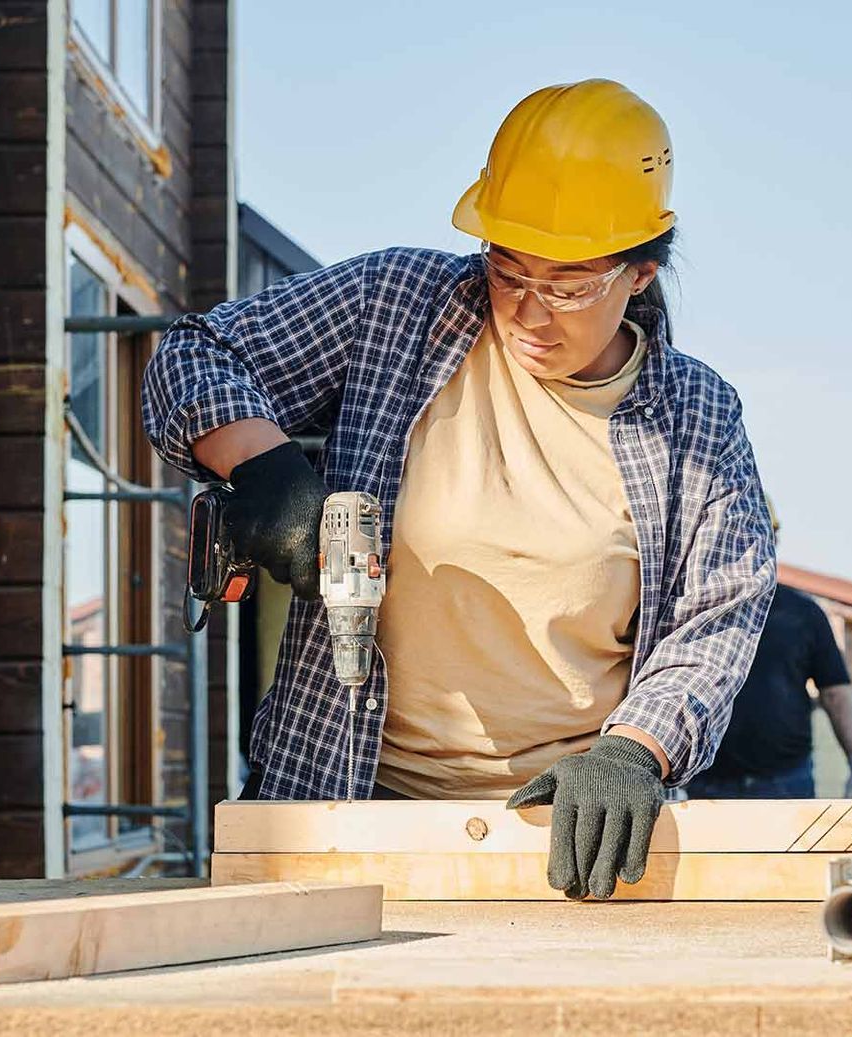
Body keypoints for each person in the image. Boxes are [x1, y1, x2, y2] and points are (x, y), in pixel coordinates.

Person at [142, 79, 775, 900]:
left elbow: (718, 617)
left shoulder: (698, 417)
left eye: (568, 284)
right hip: (334, 801)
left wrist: (636, 750)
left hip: (565, 838)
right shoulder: (399, 306)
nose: (529, 312)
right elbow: (195, 355)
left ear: (642, 271)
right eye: (509, 271)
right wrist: (263, 467)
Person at [686, 572, 852, 799]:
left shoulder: (803, 612)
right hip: (707, 781)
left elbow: (836, 693)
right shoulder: (699, 608)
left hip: (786, 782)